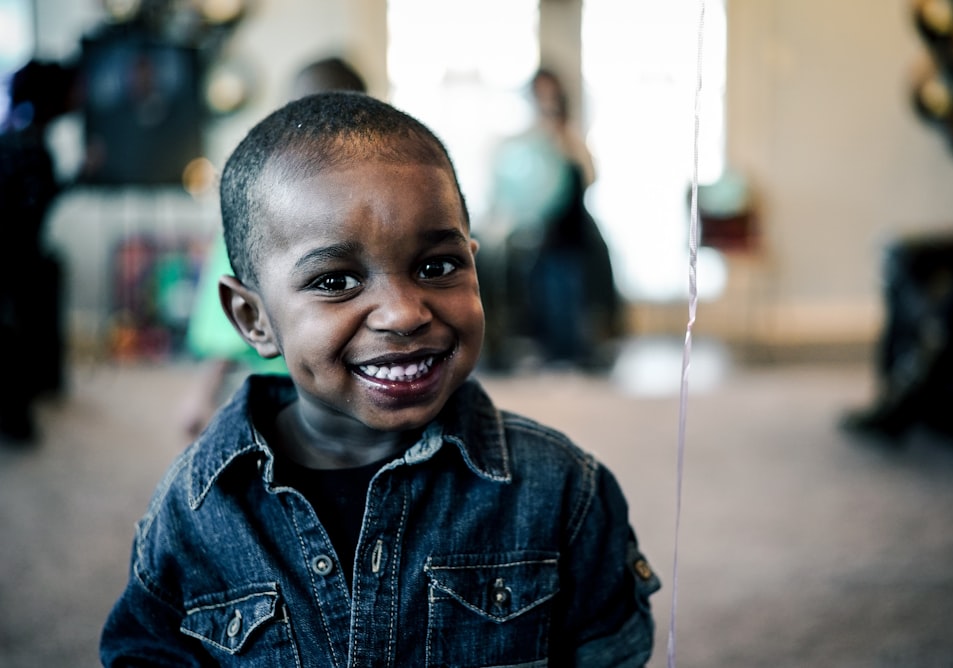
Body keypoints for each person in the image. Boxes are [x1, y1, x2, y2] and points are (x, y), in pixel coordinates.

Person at [100, 91, 659, 666]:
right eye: (337, 281)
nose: (403, 313)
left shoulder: (562, 489)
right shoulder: (196, 510)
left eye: (437, 267)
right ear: (254, 319)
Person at [179, 56, 367, 440]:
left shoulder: (371, 199)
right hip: (266, 373)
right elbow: (231, 301)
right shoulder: (260, 204)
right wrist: (201, 392)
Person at [481, 68, 620, 370]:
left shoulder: (569, 135)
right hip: (537, 235)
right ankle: (547, 350)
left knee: (568, 293)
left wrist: (561, 139)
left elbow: (590, 176)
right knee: (541, 293)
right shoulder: (524, 140)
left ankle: (571, 354)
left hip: (570, 232)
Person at [0, 59, 79, 444]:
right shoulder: (29, 146)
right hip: (13, 260)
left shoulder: (16, 138)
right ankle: (17, 416)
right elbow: (32, 210)